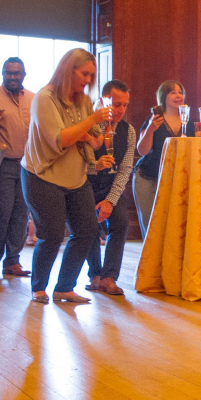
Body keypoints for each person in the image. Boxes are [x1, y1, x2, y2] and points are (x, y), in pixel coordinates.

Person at [22, 48, 113, 304]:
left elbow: (96, 142)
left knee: (86, 231)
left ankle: (64, 287)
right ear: (68, 69)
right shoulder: (44, 98)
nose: (87, 80)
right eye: (84, 73)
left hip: (77, 176)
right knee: (51, 235)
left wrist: (91, 131)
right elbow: (60, 139)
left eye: (91, 75)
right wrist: (89, 123)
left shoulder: (83, 101)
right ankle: (38, 287)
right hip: (43, 175)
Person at [85, 79, 135, 296]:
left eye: (124, 105)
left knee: (121, 223)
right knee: (87, 227)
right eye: (116, 104)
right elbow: (73, 162)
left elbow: (125, 169)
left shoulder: (128, 130)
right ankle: (94, 274)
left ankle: (109, 277)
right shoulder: (89, 124)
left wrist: (110, 200)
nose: (120, 110)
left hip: (111, 188)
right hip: (84, 185)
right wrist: (93, 167)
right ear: (103, 100)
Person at [0, 57, 34, 279]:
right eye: (8, 73)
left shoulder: (34, 99)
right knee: (2, 212)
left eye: (17, 73)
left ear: (24, 74)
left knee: (21, 215)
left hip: (28, 166)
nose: (12, 77)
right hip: (3, 164)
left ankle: (12, 262)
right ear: (2, 73)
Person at [133, 79, 194, 236]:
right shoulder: (154, 120)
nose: (178, 95)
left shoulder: (189, 123)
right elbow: (142, 150)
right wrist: (151, 129)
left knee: (171, 229)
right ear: (163, 97)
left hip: (175, 181)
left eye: (180, 92)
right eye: (172, 92)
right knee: (151, 227)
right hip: (149, 177)